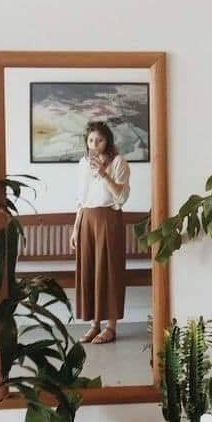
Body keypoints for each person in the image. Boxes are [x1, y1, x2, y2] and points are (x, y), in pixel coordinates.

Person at [70, 120, 131, 344]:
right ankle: (94, 325)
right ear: (86, 142)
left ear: (108, 141)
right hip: (87, 220)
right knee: (90, 270)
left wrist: (104, 174)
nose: (95, 144)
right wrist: (75, 228)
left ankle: (111, 327)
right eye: (91, 140)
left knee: (110, 271)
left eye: (100, 140)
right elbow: (81, 199)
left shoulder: (119, 163)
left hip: (108, 220)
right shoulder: (82, 164)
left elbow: (121, 197)